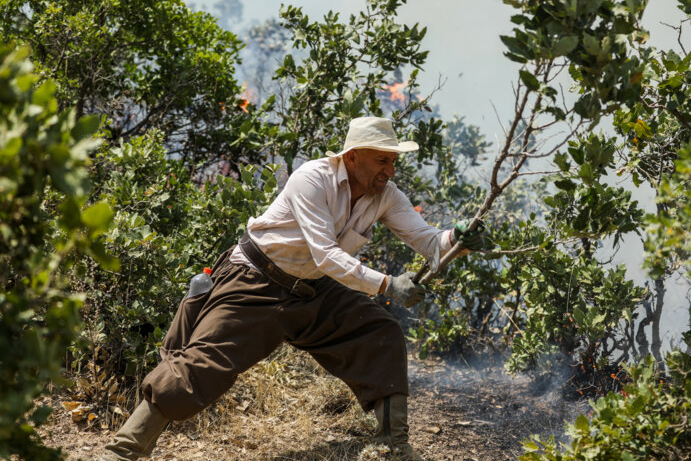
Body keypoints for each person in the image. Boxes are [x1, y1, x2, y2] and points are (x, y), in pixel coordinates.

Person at [101, 116, 485, 461]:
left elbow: (429, 241)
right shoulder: (312, 178)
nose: (390, 168)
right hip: (255, 281)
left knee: (378, 333)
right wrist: (387, 284)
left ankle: (392, 446)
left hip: (315, 291)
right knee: (200, 365)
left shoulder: (385, 195)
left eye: (393, 160)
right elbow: (326, 255)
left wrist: (458, 238)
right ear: (352, 157)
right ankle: (123, 452)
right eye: (381, 159)